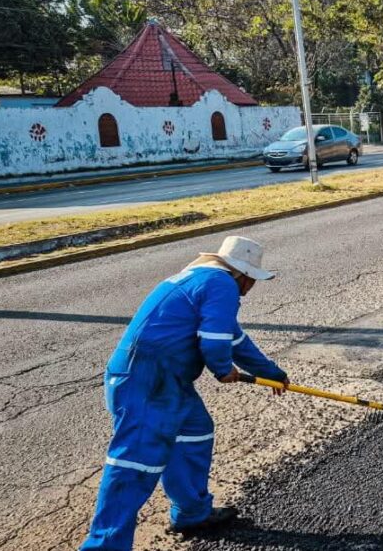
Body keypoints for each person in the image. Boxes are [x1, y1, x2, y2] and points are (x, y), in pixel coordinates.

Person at [81, 236, 289, 550]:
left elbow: (234, 340)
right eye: (252, 280)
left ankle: (192, 512)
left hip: (169, 380)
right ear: (241, 274)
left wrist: (272, 373)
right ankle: (105, 546)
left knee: (195, 433)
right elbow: (216, 344)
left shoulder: (205, 278)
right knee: (136, 462)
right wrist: (222, 369)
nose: (251, 288)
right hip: (147, 379)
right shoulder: (222, 285)